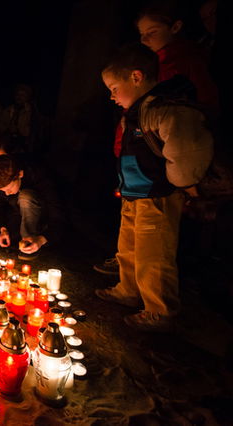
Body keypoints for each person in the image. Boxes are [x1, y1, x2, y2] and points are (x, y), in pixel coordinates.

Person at [95, 43, 213, 332]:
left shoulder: (164, 109)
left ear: (136, 77)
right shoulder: (137, 111)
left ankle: (160, 309)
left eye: (113, 88)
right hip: (135, 194)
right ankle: (129, 289)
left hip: (158, 195)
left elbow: (184, 150)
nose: (111, 96)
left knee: (154, 254)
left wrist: (184, 183)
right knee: (129, 247)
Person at [0, 155, 62, 259]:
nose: (6, 194)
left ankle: (29, 245)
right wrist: (3, 229)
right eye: (3, 191)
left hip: (42, 217)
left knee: (25, 196)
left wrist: (41, 240)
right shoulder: (1, 180)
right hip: (16, 214)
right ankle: (17, 240)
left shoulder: (40, 177)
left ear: (20, 174)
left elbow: (58, 217)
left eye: (9, 189)